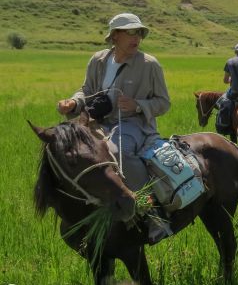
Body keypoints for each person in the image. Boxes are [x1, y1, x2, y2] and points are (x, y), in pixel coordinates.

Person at [56, 13, 171, 242]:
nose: (136, 37)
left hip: (133, 124)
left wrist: (138, 105)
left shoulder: (149, 65)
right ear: (115, 36)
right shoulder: (98, 60)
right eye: (130, 32)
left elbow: (164, 103)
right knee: (70, 153)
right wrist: (74, 102)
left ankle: (153, 214)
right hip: (97, 123)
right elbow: (86, 90)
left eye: (139, 32)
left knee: (117, 153)